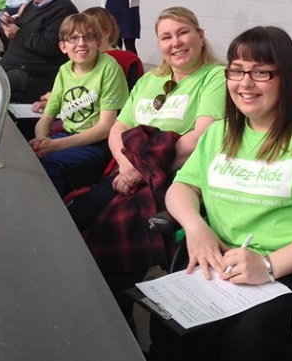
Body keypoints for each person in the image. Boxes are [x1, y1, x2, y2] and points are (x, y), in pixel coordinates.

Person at [147, 26, 292, 361]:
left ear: (286, 77)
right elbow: (181, 187)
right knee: (167, 327)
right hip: (221, 264)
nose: (245, 83)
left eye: (260, 72)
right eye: (236, 70)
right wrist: (195, 227)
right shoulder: (220, 132)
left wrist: (268, 264)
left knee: (246, 341)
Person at [67, 6, 226, 333]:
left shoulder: (215, 77)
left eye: (183, 33)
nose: (176, 43)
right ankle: (95, 309)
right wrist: (127, 166)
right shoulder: (150, 80)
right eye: (166, 37)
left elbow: (200, 139)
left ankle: (115, 327)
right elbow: (117, 129)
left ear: (200, 35)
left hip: (172, 178)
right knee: (75, 218)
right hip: (128, 173)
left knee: (113, 238)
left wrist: (142, 169)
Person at [29, 13, 129, 197]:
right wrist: (42, 142)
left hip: (98, 142)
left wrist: (55, 146)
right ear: (63, 46)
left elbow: (106, 127)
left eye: (88, 37)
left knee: (48, 164)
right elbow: (46, 119)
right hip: (67, 135)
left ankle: (57, 218)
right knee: (27, 157)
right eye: (73, 38)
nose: (81, 43)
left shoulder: (109, 68)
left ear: (98, 43)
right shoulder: (64, 71)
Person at [30, 6, 142, 113]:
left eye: (89, 35)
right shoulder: (72, 65)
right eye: (75, 36)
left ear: (106, 32)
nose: (81, 42)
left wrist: (61, 100)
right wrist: (55, 101)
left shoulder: (116, 63)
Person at [0, 0, 78, 103]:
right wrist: (10, 25)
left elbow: (51, 46)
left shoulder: (63, 10)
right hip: (13, 65)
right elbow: (26, 31)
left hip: (34, 73)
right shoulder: (32, 5)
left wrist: (18, 33)